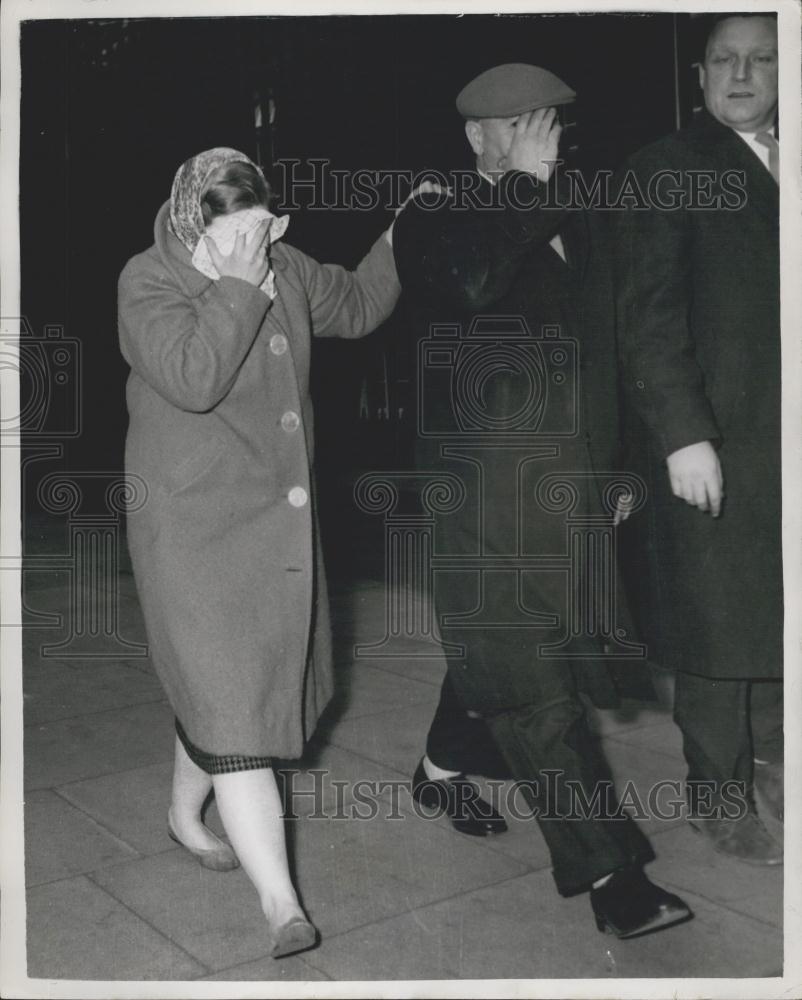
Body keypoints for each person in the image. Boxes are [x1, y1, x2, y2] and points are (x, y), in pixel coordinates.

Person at [393, 64, 692, 938]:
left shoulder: (580, 217)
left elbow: (618, 347)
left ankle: (444, 763)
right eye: (520, 125)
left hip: (573, 486)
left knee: (526, 647)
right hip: (484, 488)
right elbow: (475, 286)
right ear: (476, 138)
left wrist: (625, 469)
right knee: (535, 687)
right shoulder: (433, 214)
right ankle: (611, 877)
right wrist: (522, 185)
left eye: (550, 123)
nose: (543, 138)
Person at [118, 147, 400, 957]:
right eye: (229, 236)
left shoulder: (287, 262)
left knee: (223, 691)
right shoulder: (148, 280)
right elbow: (194, 375)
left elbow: (361, 303)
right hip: (188, 529)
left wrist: (403, 230)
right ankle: (282, 904)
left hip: (267, 525)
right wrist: (238, 287)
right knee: (235, 706)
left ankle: (182, 814)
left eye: (259, 230)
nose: (249, 249)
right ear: (187, 223)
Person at [613, 13, 782, 865]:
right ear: (701, 75)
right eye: (725, 59)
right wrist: (683, 435)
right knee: (719, 623)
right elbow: (645, 322)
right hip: (719, 440)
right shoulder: (668, 169)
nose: (742, 73)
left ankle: (776, 758)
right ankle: (717, 793)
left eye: (762, 57)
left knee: (781, 609)